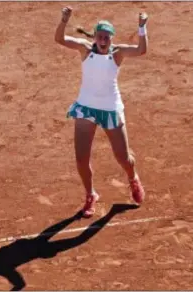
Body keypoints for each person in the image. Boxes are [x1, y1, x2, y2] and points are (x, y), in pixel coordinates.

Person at [55, 6, 148, 218]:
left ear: (111, 38)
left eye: (107, 36)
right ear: (95, 37)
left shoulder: (118, 53)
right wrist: (64, 20)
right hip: (86, 108)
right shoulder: (85, 49)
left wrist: (142, 28)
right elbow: (60, 39)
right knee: (81, 159)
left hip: (110, 110)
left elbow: (141, 50)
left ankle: (133, 178)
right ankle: (91, 194)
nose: (103, 39)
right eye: (100, 36)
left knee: (124, 158)